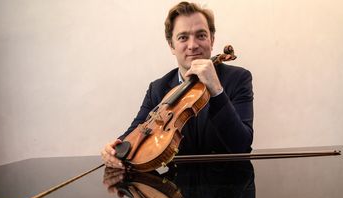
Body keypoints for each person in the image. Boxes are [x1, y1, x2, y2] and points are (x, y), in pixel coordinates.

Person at [101, 1, 254, 169]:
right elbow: (137, 131)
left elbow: (241, 145)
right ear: (171, 46)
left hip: (229, 184)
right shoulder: (158, 88)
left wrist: (216, 90)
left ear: (212, 40)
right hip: (177, 186)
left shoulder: (239, 78)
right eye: (183, 37)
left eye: (201, 35)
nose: (193, 45)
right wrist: (115, 149)